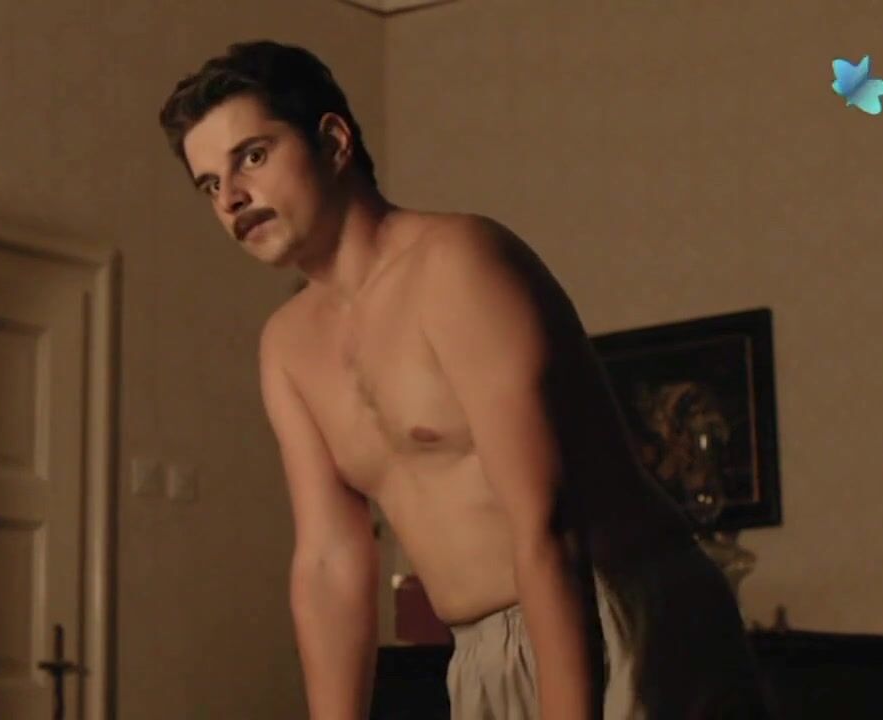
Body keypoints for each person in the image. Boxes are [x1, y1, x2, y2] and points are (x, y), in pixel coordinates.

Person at [158, 40, 770, 720]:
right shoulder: (286, 347)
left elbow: (545, 521)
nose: (231, 197)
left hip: (617, 610)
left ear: (332, 141)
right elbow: (330, 561)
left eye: (252, 156)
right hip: (480, 653)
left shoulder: (456, 263)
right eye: (209, 184)